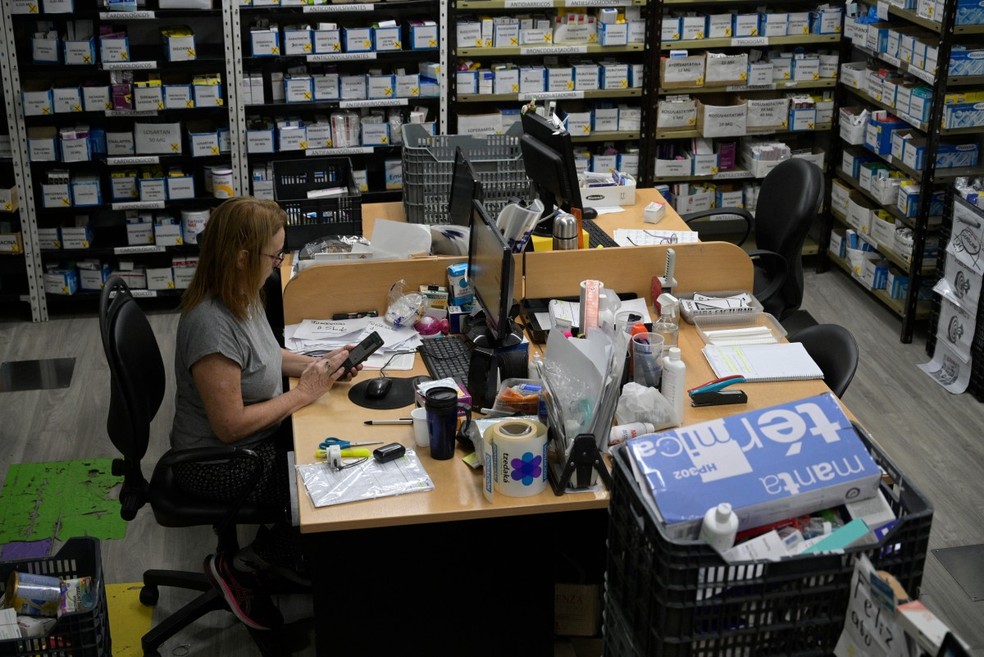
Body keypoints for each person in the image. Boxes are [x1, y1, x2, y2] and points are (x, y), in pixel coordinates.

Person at [171, 196, 359, 631]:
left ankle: (285, 556)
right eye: (274, 255)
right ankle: (248, 564)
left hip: (250, 440)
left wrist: (320, 365)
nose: (278, 264)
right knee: (322, 485)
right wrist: (305, 394)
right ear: (241, 257)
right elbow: (230, 426)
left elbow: (264, 354)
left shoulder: (243, 291)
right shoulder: (210, 324)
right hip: (217, 462)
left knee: (330, 457)